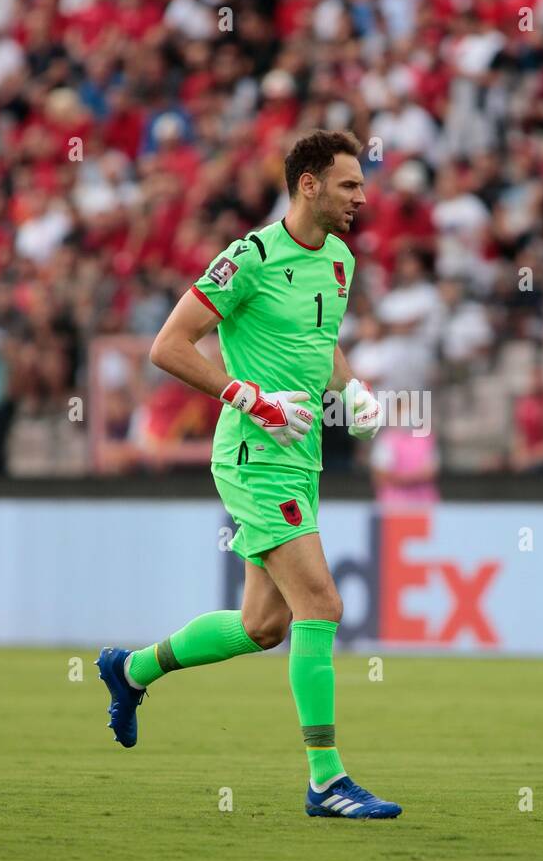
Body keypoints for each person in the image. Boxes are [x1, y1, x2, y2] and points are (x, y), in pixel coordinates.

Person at [96, 130, 403, 819]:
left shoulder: (341, 263)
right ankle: (326, 780)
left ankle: (131, 669)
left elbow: (319, 347)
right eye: (349, 185)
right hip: (254, 457)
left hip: (302, 459)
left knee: (264, 625)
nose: (362, 197)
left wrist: (350, 388)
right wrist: (248, 397)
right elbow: (167, 346)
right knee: (321, 605)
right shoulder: (252, 258)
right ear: (309, 186)